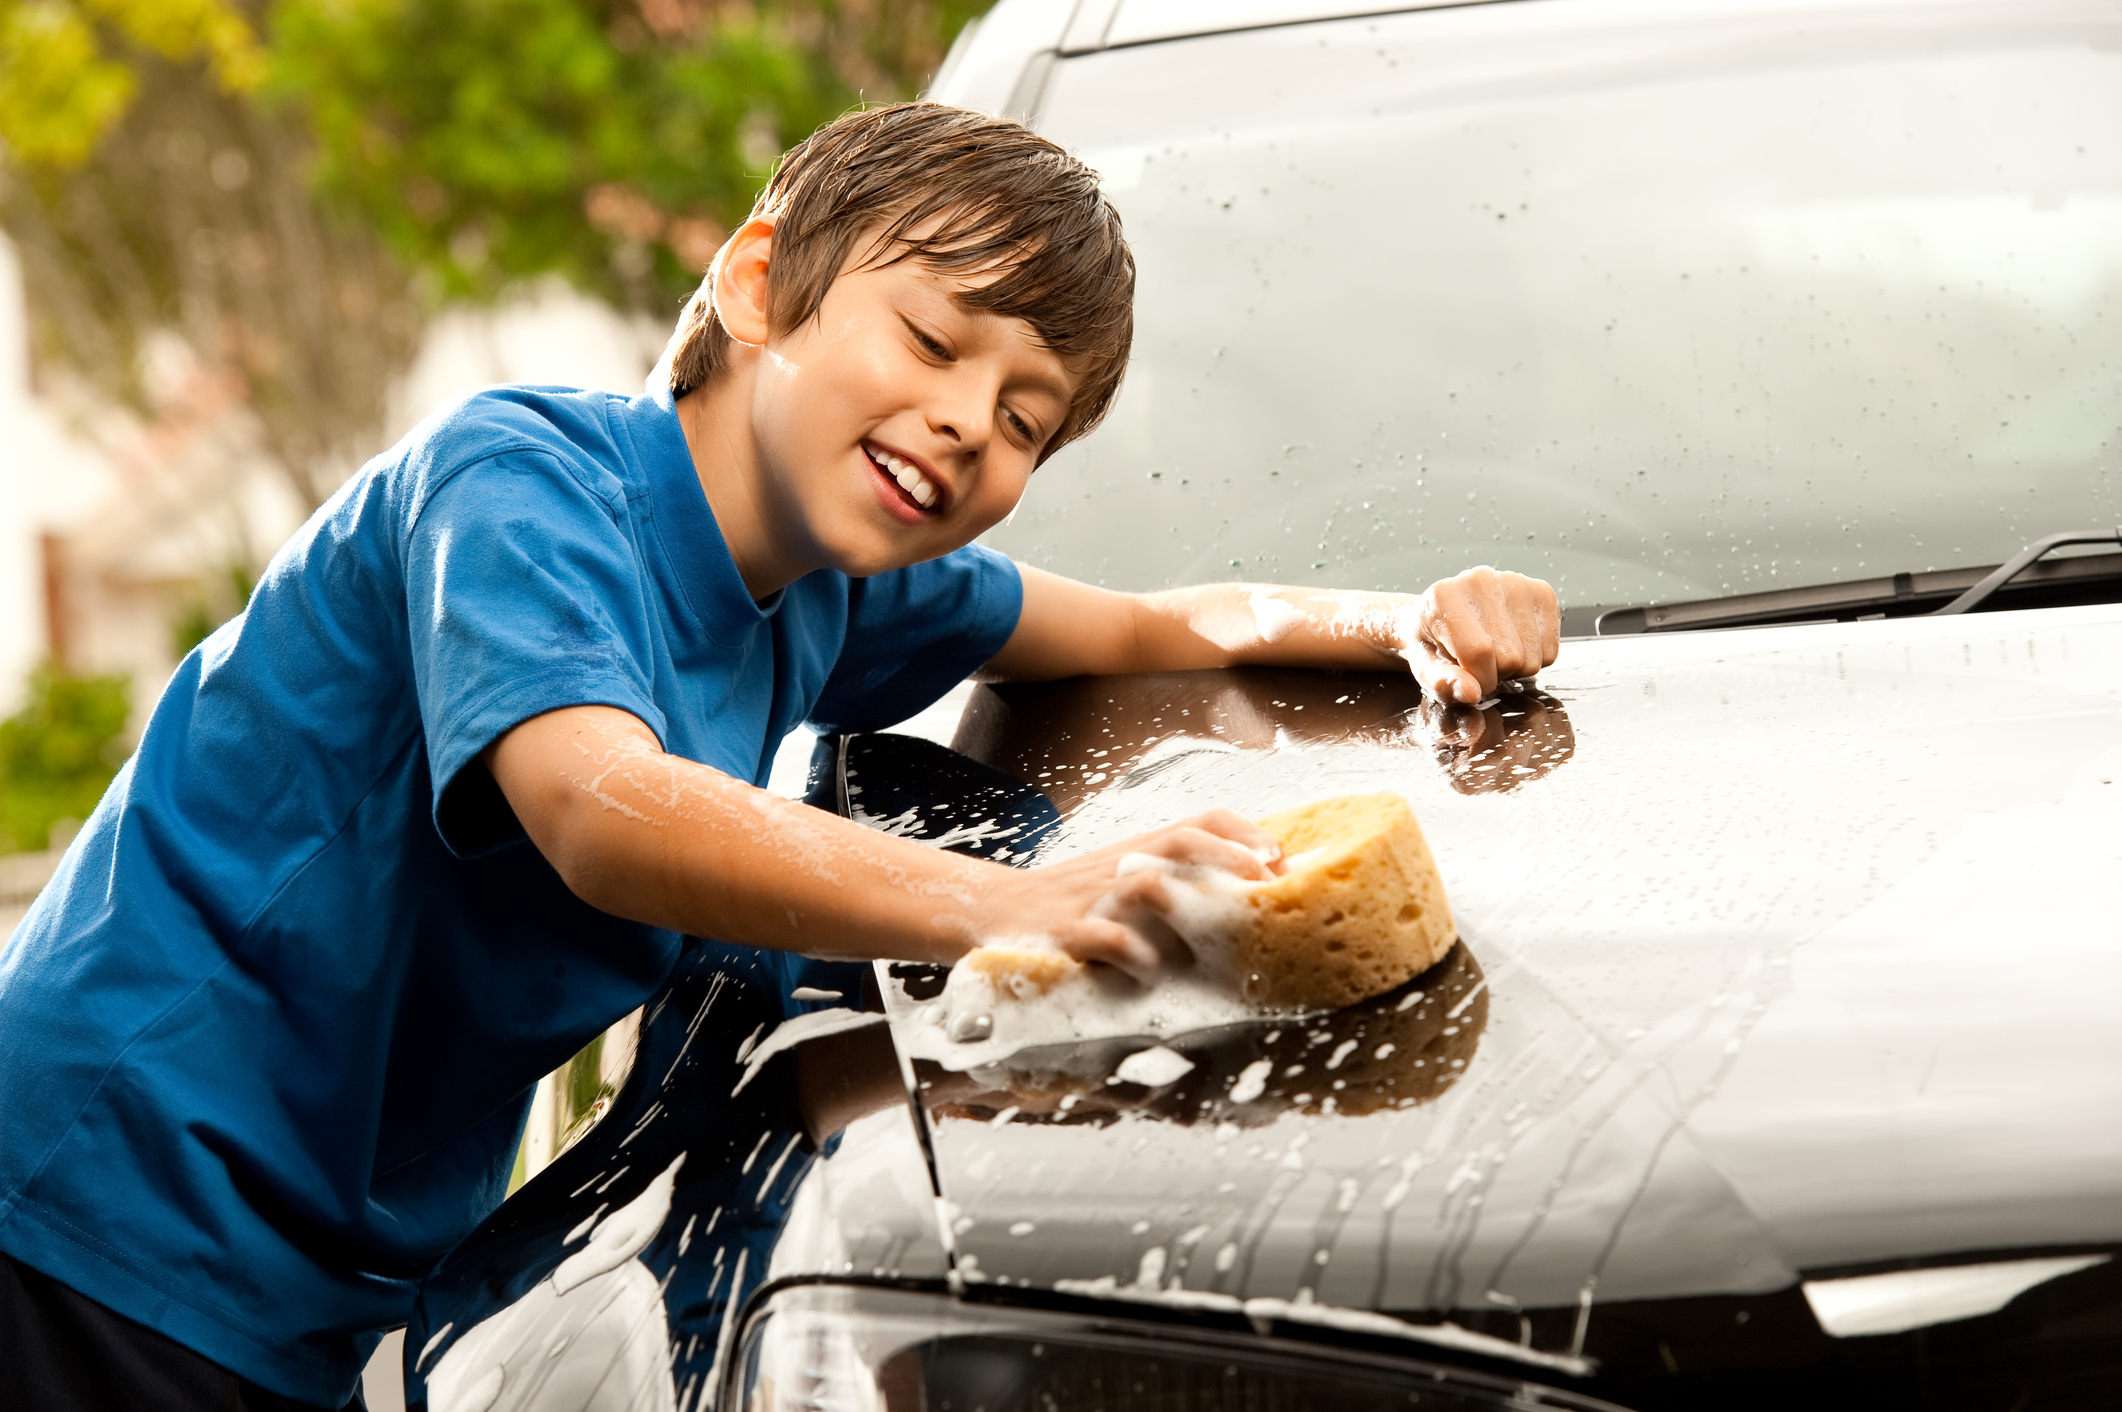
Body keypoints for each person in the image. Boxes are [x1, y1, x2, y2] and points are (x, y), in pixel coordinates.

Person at [0, 102, 1558, 1410]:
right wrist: (1008, 903)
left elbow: (1158, 630)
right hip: (106, 1200)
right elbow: (599, 807)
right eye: (933, 341)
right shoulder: (522, 484)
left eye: (1027, 419)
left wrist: (1421, 618)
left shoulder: (820, 595)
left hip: (322, 1262)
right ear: (758, 286)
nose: (965, 425)